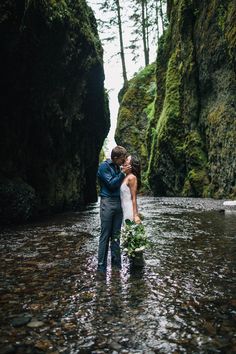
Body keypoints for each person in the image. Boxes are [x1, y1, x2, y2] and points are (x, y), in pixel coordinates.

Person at [97, 146, 131, 274]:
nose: (123, 162)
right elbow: (111, 184)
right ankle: (101, 267)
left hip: (119, 203)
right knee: (105, 235)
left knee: (116, 236)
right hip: (107, 202)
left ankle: (116, 267)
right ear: (115, 158)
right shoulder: (104, 167)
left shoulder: (118, 167)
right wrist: (122, 173)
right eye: (122, 159)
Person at [120, 155, 141, 224]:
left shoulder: (132, 177)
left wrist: (135, 215)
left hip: (129, 210)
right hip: (122, 209)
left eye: (127, 160)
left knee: (128, 232)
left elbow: (134, 197)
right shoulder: (124, 176)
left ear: (131, 165)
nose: (124, 161)